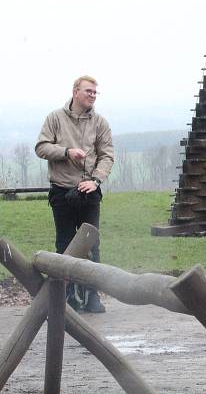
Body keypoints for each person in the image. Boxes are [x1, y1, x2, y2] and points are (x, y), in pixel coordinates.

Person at [35, 75, 114, 313]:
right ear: (75, 91)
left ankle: (92, 296)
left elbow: (107, 155)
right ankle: (68, 298)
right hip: (61, 191)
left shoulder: (100, 122)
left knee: (93, 245)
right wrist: (66, 152)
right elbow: (41, 147)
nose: (93, 95)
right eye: (89, 91)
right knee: (65, 246)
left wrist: (96, 180)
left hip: (89, 191)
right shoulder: (55, 118)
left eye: (95, 92)